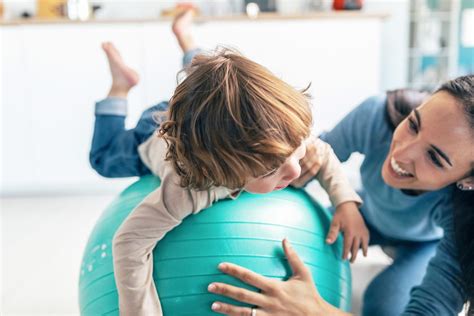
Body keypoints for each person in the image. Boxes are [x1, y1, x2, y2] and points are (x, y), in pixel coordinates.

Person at [89, 10, 368, 315]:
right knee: (103, 158)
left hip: (205, 112)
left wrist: (345, 202)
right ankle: (120, 86)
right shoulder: (185, 189)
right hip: (153, 129)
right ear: (221, 173)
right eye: (272, 170)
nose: (297, 171)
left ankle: (187, 39)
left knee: (204, 77)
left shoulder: (283, 137)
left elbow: (322, 153)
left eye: (297, 151)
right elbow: (129, 243)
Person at [206, 76, 474, 316]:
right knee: (280, 252)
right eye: (414, 125)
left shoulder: (463, 221)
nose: (402, 154)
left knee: (384, 307)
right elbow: (312, 157)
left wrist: (314, 311)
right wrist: (345, 201)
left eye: (434, 158)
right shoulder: (378, 114)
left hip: (421, 243)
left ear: (468, 181)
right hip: (366, 212)